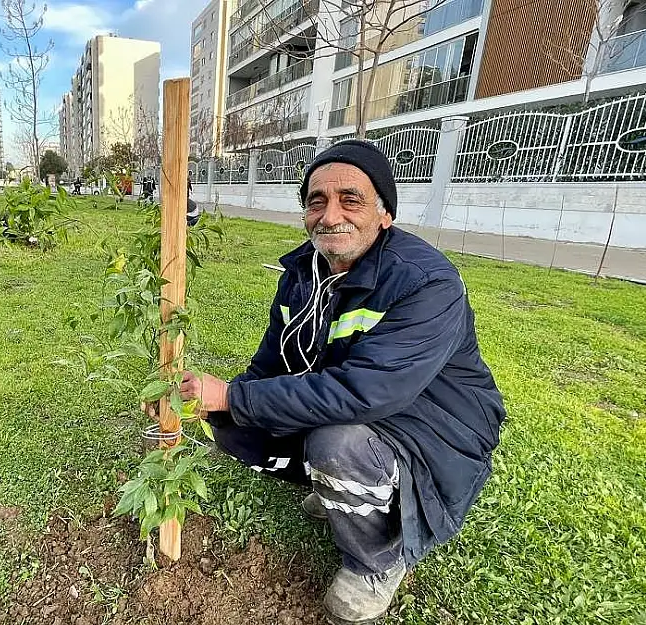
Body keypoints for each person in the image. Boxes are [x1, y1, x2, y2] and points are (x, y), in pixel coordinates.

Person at [179, 140, 505, 625]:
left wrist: (232, 395)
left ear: (384, 214)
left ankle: (377, 561)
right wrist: (221, 402)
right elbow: (271, 362)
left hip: (434, 425)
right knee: (233, 424)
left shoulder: (427, 282)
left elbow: (367, 391)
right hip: (364, 410)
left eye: (350, 199)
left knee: (337, 443)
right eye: (316, 201)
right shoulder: (302, 274)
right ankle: (341, 488)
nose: (330, 215)